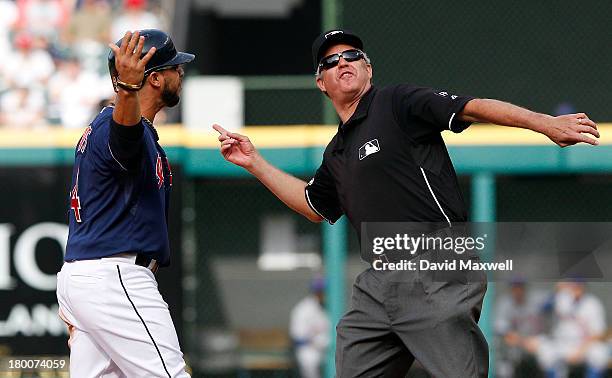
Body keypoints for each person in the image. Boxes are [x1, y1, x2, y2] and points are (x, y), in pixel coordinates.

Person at [213, 29, 599, 377]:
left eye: (352, 56)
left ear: (368, 69)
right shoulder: (337, 152)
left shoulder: (396, 103)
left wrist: (544, 123)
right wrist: (255, 163)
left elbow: (473, 106)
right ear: (321, 82)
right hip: (379, 282)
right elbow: (313, 205)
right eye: (330, 61)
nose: (342, 62)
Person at [56, 29, 194, 377]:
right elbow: (125, 136)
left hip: (94, 275)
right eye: (175, 67)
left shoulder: (115, 129)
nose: (182, 72)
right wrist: (129, 89)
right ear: (156, 79)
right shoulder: (118, 129)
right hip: (114, 276)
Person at [524, 281, 609, 378]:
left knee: (600, 352)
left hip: (584, 345)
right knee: (546, 350)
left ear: (584, 286)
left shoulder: (592, 303)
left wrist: (580, 351)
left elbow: (598, 334)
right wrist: (556, 292)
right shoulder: (561, 298)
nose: (576, 287)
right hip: (562, 344)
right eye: (573, 284)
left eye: (579, 285)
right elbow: (541, 310)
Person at [494, 279, 549, 377]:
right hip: (511, 350)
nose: (518, 290)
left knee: (547, 356)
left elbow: (551, 299)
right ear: (511, 289)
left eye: (520, 287)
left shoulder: (533, 302)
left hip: (532, 345)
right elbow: (506, 335)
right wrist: (525, 343)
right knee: (504, 370)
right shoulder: (504, 304)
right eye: (515, 287)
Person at [289, 277, 331, 378]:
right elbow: (297, 336)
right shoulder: (303, 309)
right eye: (320, 291)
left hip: (330, 349)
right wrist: (314, 342)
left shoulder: (332, 306)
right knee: (310, 360)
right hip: (309, 349)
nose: (322, 293)